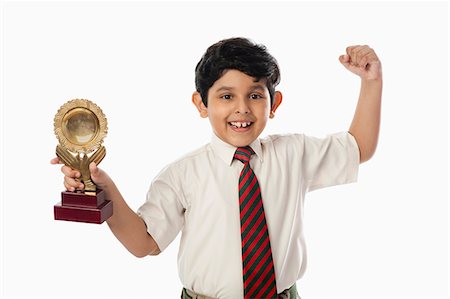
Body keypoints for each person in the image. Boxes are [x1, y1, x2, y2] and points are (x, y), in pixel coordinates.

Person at [51, 37, 382, 299]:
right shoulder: (182, 174)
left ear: (274, 103)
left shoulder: (294, 153)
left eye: (255, 95)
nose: (242, 109)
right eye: (226, 96)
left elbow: (359, 148)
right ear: (201, 104)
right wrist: (102, 186)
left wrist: (371, 81)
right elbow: (144, 243)